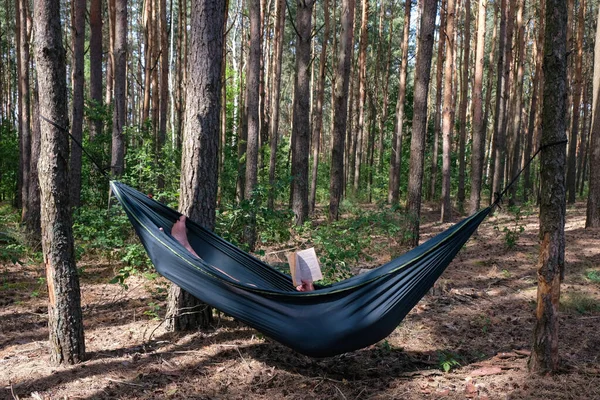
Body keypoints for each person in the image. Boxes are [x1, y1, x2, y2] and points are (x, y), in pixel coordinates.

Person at [169, 216, 314, 292]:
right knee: (247, 289)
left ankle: (186, 248)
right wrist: (310, 293)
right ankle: (182, 247)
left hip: (303, 316)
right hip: (307, 311)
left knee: (241, 289)